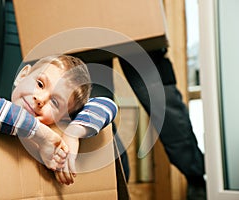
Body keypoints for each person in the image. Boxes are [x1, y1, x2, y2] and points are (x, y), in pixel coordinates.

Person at [74, 48, 206, 200]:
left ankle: (196, 178)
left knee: (164, 105)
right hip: (86, 42)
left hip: (137, 35)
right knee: (95, 118)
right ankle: (117, 191)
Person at [0, 54, 118, 185]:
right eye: (40, 84)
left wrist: (73, 133)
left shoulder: (63, 131)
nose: (40, 99)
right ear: (22, 76)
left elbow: (108, 105)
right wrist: (44, 137)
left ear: (63, 118)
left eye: (54, 102)